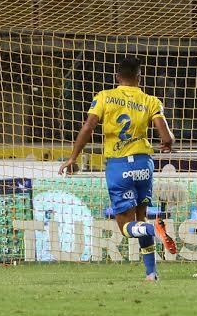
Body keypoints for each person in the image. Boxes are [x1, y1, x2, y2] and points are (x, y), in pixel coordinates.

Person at [59, 56, 177, 281]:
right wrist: (168, 141)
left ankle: (154, 230)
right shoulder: (151, 100)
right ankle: (151, 273)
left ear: (117, 76)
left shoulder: (104, 97)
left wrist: (73, 157)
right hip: (144, 165)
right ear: (139, 77)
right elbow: (166, 136)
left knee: (125, 227)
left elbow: (88, 127)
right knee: (140, 219)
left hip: (119, 165)